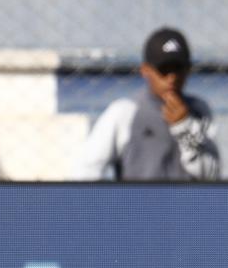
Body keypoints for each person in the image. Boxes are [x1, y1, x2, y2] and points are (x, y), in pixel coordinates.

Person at [71, 27, 219, 181]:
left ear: (188, 69)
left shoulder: (199, 110)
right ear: (146, 70)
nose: (172, 78)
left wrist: (184, 127)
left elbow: (210, 176)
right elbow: (87, 169)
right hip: (139, 204)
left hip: (186, 205)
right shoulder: (125, 112)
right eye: (164, 70)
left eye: (178, 69)